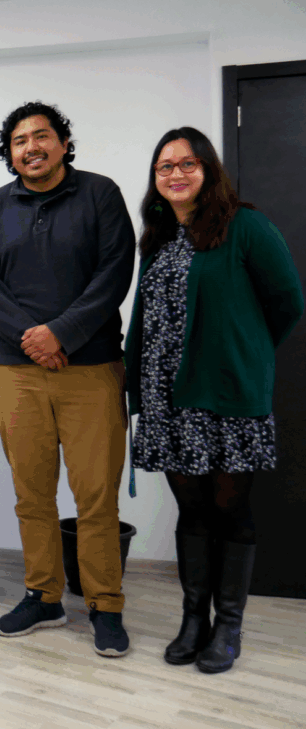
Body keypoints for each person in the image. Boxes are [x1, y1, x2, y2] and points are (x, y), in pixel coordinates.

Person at [126, 128, 303, 673]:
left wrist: (247, 356)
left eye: (188, 163)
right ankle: (193, 621)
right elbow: (147, 317)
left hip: (226, 397)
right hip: (167, 399)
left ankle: (228, 625)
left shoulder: (244, 226)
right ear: (156, 179)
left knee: (230, 510)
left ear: (208, 170)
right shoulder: (157, 236)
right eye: (165, 166)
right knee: (193, 511)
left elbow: (287, 301)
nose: (176, 174)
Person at [0, 102, 136, 656]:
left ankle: (105, 604)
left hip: (91, 370)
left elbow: (114, 273)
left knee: (96, 497)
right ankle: (43, 596)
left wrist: (61, 333)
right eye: (19, 141)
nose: (31, 148)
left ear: (63, 143)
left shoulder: (100, 194)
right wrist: (33, 339)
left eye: (41, 136)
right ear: (9, 153)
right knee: (32, 493)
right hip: (19, 373)